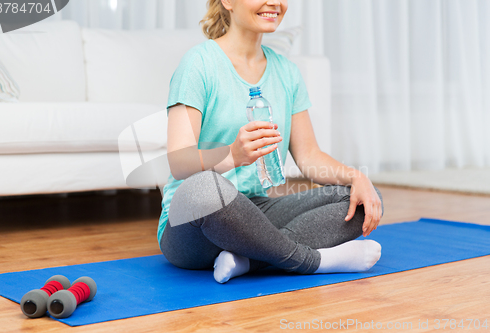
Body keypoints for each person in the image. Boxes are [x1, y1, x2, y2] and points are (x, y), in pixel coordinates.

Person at [158, 0, 384, 284]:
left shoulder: (287, 72)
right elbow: (179, 162)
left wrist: (356, 177)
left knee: (364, 197)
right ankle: (315, 261)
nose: (274, 2)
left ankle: (248, 261)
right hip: (193, 224)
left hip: (254, 212)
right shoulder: (198, 64)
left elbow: (309, 155)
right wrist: (232, 155)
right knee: (206, 187)